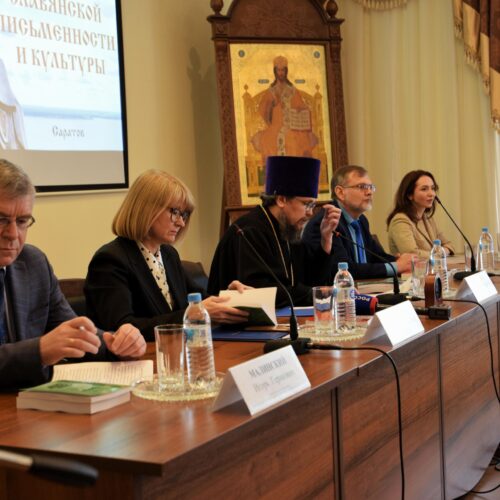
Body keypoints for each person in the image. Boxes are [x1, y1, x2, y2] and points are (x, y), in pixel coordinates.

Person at [0, 159, 146, 389]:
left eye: (22, 221)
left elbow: (74, 331)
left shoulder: (33, 263)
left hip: (31, 403)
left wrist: (115, 343)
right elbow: (42, 349)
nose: (12, 234)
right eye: (1, 220)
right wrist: (39, 351)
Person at [84, 170, 249, 341]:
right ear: (147, 209)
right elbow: (122, 329)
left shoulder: (168, 254)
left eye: (184, 214)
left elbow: (200, 300)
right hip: (139, 356)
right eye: (175, 212)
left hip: (176, 349)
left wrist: (231, 299)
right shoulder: (110, 261)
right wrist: (192, 315)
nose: (181, 222)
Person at [208, 156, 341, 307]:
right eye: (306, 204)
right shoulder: (249, 231)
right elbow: (262, 290)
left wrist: (326, 239)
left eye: (313, 205)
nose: (310, 213)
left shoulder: (288, 229)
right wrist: (321, 293)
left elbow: (309, 281)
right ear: (281, 200)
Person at [303, 165, 413, 279]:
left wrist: (402, 261)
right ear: (340, 192)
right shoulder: (327, 222)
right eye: (362, 187)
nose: (369, 192)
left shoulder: (361, 220)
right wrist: (397, 266)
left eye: (371, 187)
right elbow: (345, 271)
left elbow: (377, 256)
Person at [251, 56, 318, 162]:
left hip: (292, 126)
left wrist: (301, 109)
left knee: (298, 141)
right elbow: (263, 110)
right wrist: (271, 106)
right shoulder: (271, 91)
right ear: (275, 72)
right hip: (275, 126)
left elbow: (301, 106)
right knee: (269, 141)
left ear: (286, 72)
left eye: (283, 70)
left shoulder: (292, 91)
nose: (281, 73)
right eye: (278, 70)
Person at [387, 170, 454, 258]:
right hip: (413, 267)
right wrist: (440, 253)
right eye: (424, 189)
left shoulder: (427, 219)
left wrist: (440, 252)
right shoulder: (400, 221)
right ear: (409, 195)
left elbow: (449, 245)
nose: (431, 194)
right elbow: (412, 254)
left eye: (433, 188)